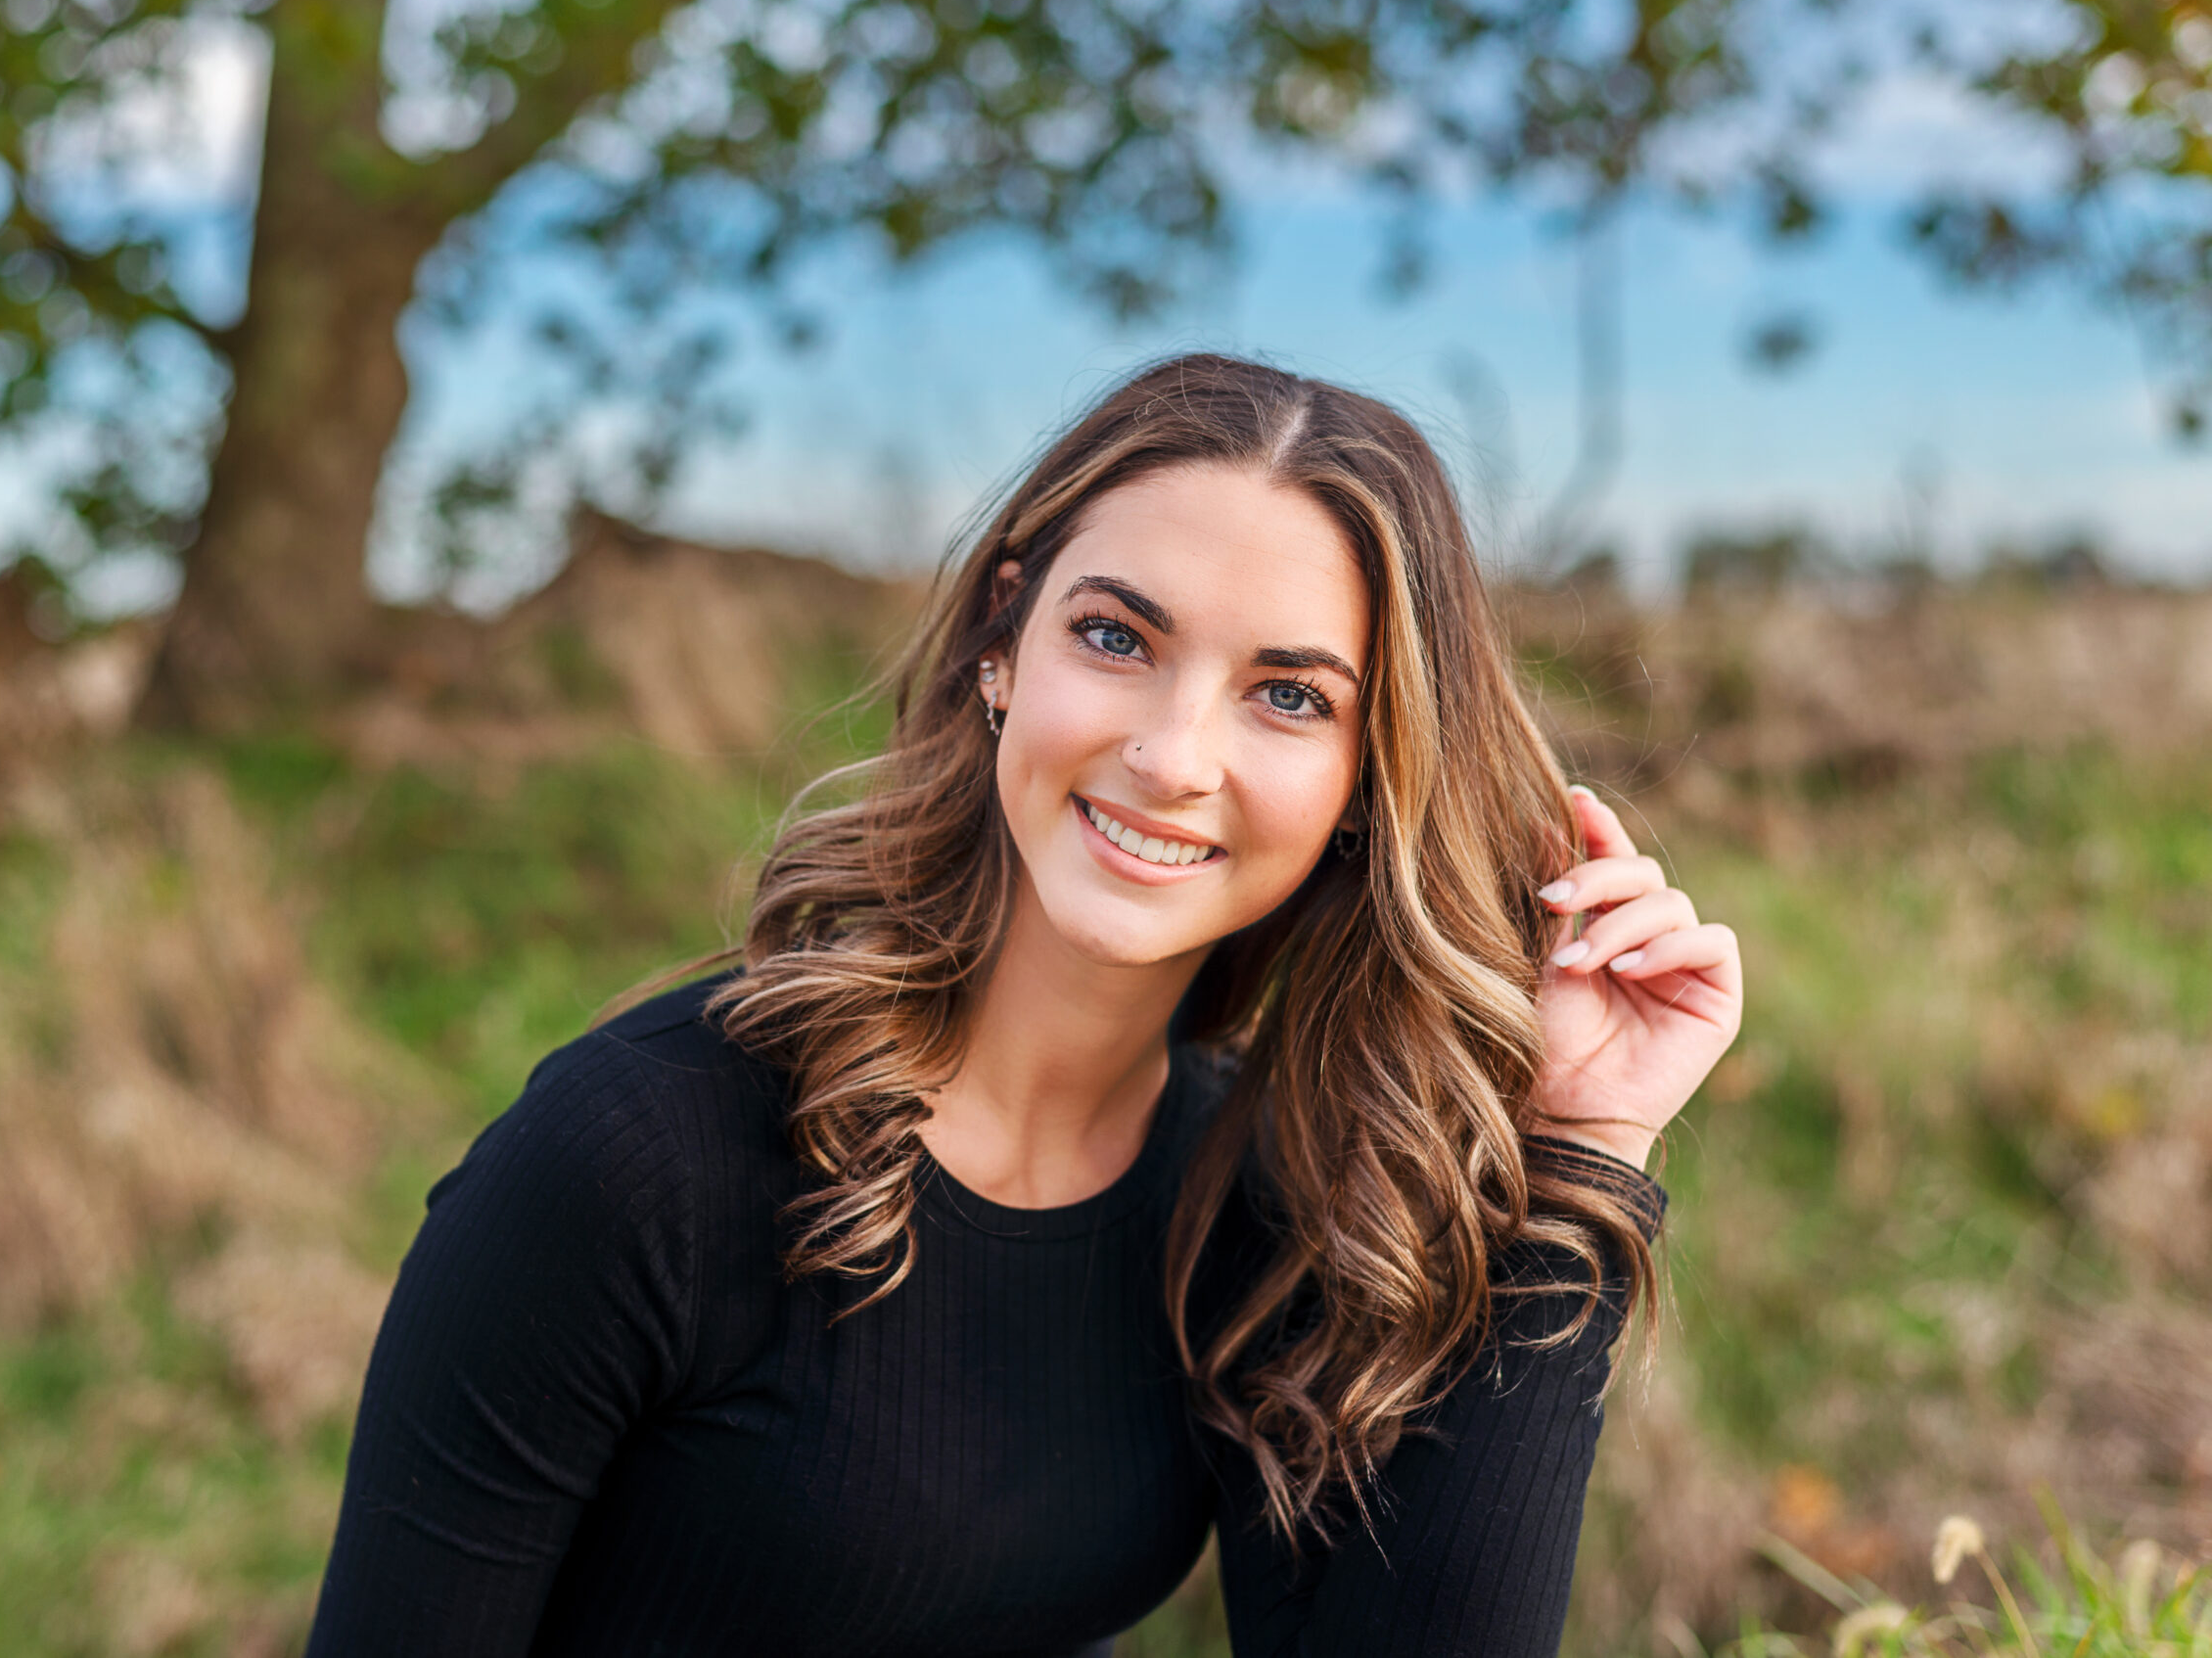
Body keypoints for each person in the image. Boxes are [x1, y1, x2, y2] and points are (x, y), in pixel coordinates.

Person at [303, 354, 1743, 1656]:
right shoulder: (639, 1159)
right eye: (1118, 638)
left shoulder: (1256, 1197)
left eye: (1287, 696)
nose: (1173, 757)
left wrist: (1578, 1152)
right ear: (1006, 641)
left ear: (1369, 778)